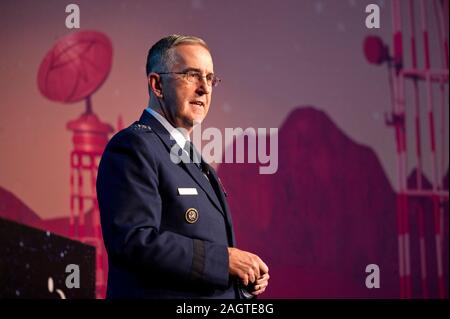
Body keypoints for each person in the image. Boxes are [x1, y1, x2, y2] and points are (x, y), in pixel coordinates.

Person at [96, 34, 269, 299]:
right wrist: (223, 262)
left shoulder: (196, 161)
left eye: (210, 78)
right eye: (191, 75)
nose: (205, 88)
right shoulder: (133, 146)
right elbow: (133, 242)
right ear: (157, 85)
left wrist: (241, 279)